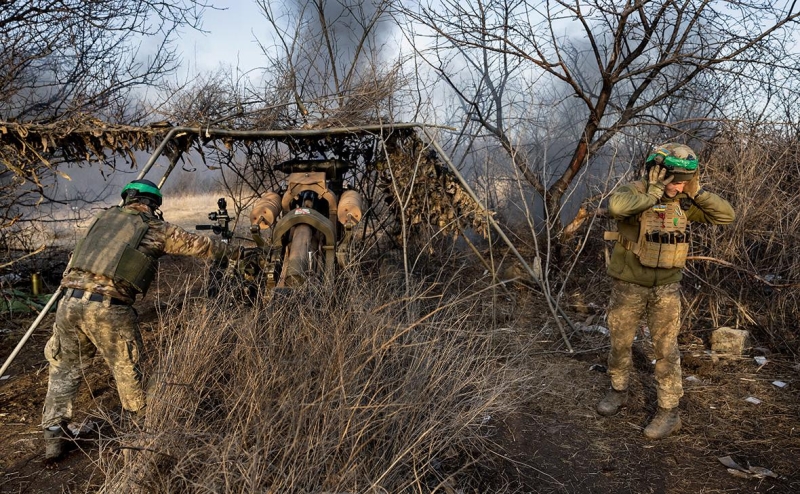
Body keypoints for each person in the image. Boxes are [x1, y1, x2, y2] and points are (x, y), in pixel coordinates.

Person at [42, 179, 237, 460]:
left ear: (127, 199)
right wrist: (234, 251)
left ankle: (53, 438)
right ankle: (137, 437)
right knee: (128, 371)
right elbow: (201, 246)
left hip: (68, 304)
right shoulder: (154, 228)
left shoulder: (102, 219)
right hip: (108, 308)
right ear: (153, 204)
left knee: (64, 369)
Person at [598, 143, 734, 439]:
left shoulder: (684, 202)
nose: (678, 186)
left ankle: (669, 412)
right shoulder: (636, 192)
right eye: (674, 180)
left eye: (684, 181)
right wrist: (653, 193)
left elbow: (726, 216)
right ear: (657, 173)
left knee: (666, 350)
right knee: (620, 343)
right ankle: (618, 390)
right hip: (629, 285)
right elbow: (617, 207)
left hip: (666, 288)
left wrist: (697, 192)